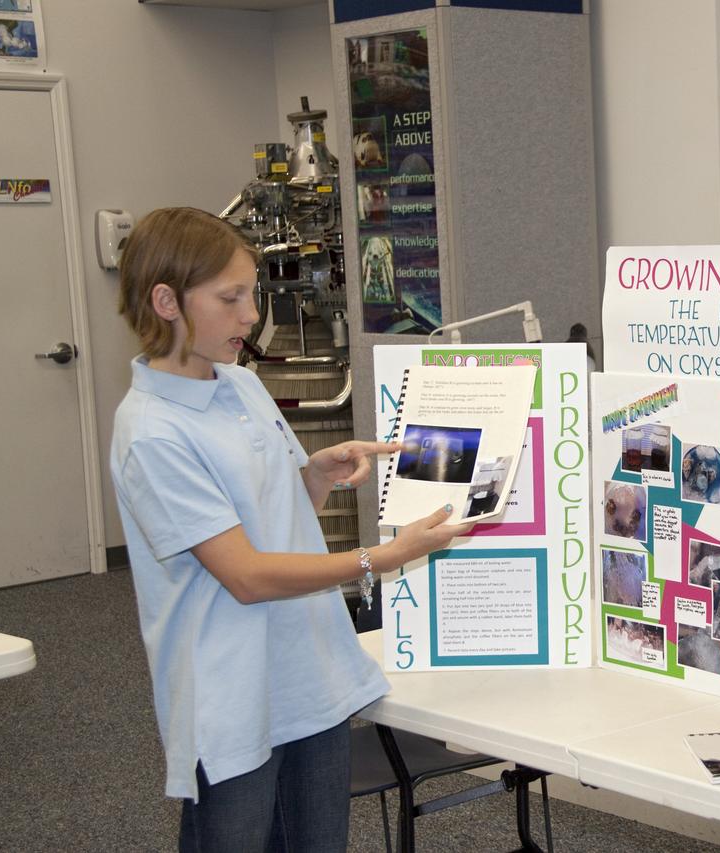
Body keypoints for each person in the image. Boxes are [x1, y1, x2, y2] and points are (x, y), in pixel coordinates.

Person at [110, 207, 471, 852]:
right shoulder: (151, 433)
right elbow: (245, 576)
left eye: (252, 293)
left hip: (310, 676)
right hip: (232, 697)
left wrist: (313, 478)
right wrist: (383, 558)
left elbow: (262, 514)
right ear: (166, 301)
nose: (252, 316)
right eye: (231, 298)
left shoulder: (243, 384)